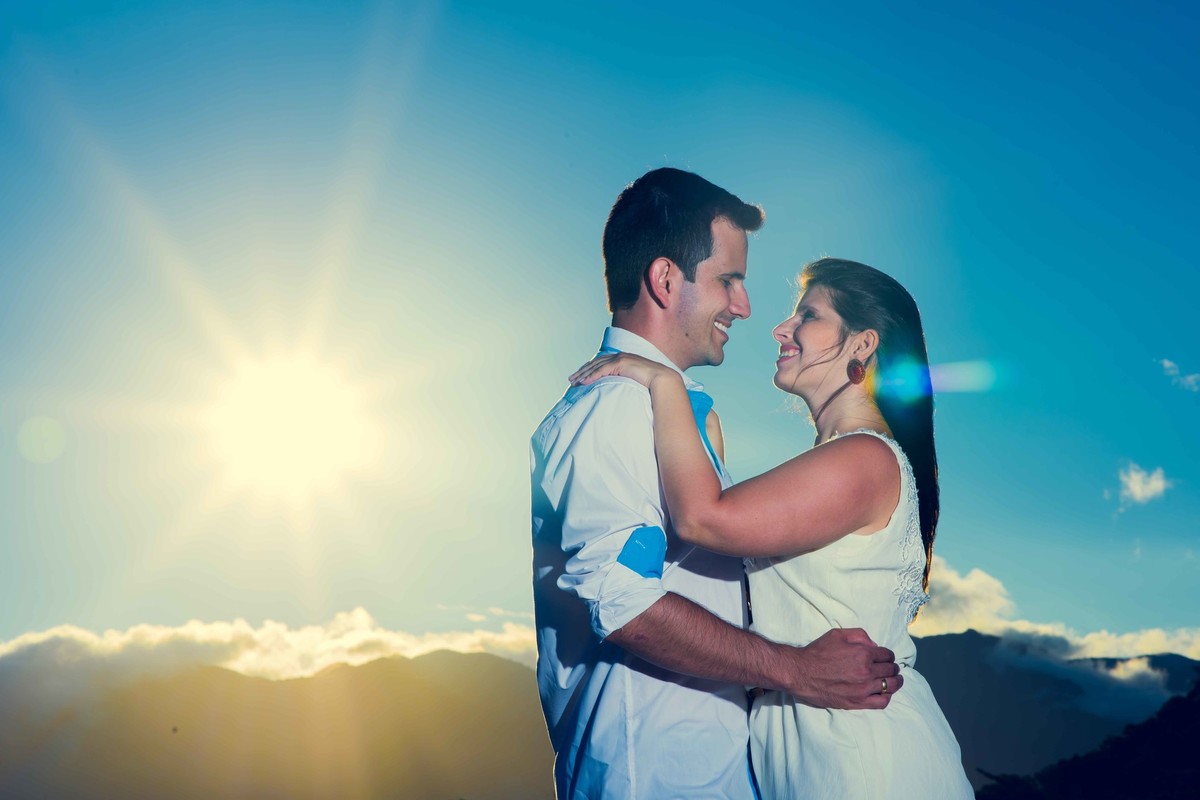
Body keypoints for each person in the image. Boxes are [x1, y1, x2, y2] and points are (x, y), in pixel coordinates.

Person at [531, 171, 903, 800]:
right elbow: (620, 602)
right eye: (729, 279)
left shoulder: (665, 410)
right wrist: (794, 670)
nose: (746, 307)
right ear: (666, 279)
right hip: (649, 774)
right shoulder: (616, 406)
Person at [570, 257, 975, 799]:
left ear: (862, 344)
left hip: (860, 757)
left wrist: (663, 384)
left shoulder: (863, 459)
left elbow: (702, 519)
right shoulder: (843, 460)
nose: (780, 329)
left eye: (808, 315)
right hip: (813, 748)